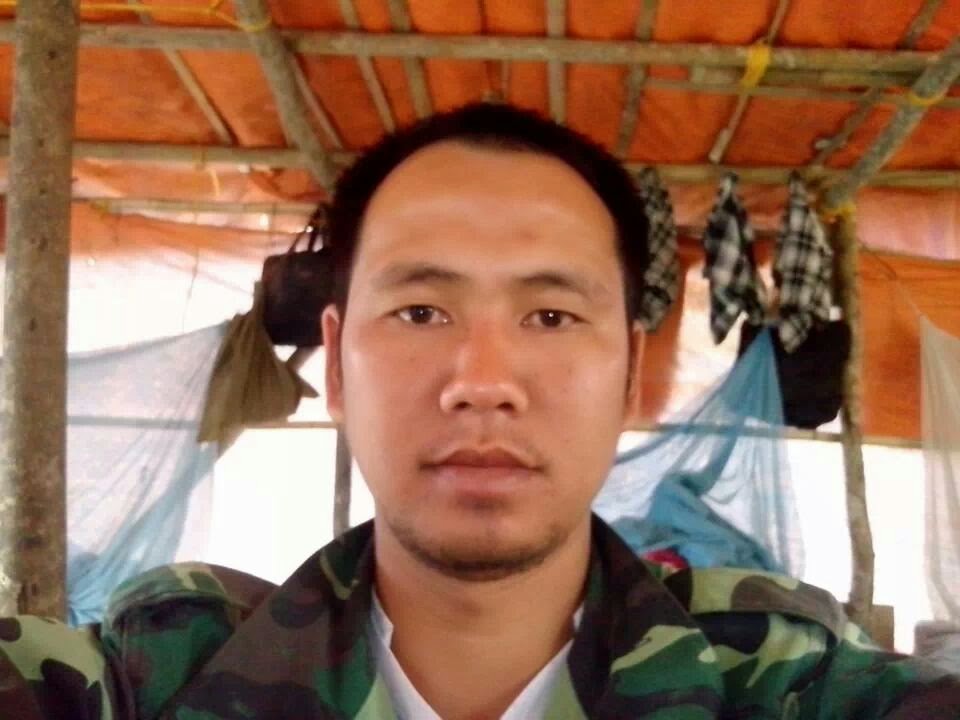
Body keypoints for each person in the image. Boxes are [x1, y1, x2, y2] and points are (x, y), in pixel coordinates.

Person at [1, 103, 959, 720]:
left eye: (551, 315)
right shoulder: (151, 679)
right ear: (338, 365)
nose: (483, 380)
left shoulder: (786, 687)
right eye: (422, 311)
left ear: (630, 373)